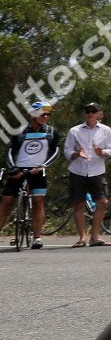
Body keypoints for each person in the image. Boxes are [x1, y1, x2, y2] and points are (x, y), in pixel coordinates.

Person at [2, 101, 59, 249]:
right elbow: (9, 151)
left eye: (48, 114)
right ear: (33, 115)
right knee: (7, 201)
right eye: (42, 114)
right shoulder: (20, 131)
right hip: (19, 170)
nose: (45, 117)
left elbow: (56, 152)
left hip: (38, 171)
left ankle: (37, 237)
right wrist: (13, 168)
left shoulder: (52, 132)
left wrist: (43, 166)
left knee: (38, 202)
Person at [65, 102, 111, 247]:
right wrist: (76, 153)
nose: (90, 113)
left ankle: (95, 237)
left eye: (93, 111)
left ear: (99, 114)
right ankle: (82, 238)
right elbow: (67, 151)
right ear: (84, 114)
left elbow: (110, 147)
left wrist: (103, 153)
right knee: (78, 204)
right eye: (87, 110)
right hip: (78, 171)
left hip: (97, 171)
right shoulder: (74, 131)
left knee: (102, 202)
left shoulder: (106, 130)